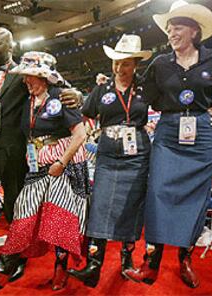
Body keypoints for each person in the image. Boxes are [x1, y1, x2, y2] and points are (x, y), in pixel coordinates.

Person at [123, 0, 212, 288]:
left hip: (202, 135)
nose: (171, 33)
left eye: (177, 27)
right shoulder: (159, 63)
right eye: (169, 28)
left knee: (195, 201)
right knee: (157, 195)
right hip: (168, 134)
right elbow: (140, 96)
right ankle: (150, 263)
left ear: (194, 31)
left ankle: (185, 260)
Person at [0, 27, 82, 284]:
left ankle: (16, 261)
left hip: (15, 152)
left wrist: (77, 94)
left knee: (16, 209)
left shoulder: (25, 74)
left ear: (10, 48)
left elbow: (54, 84)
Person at [68, 34, 152, 288]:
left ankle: (127, 260)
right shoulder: (102, 89)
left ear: (136, 64)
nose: (119, 68)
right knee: (100, 206)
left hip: (137, 156)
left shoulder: (146, 88)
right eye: (116, 62)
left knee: (131, 207)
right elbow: (83, 115)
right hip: (107, 156)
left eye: (125, 63)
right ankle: (94, 265)